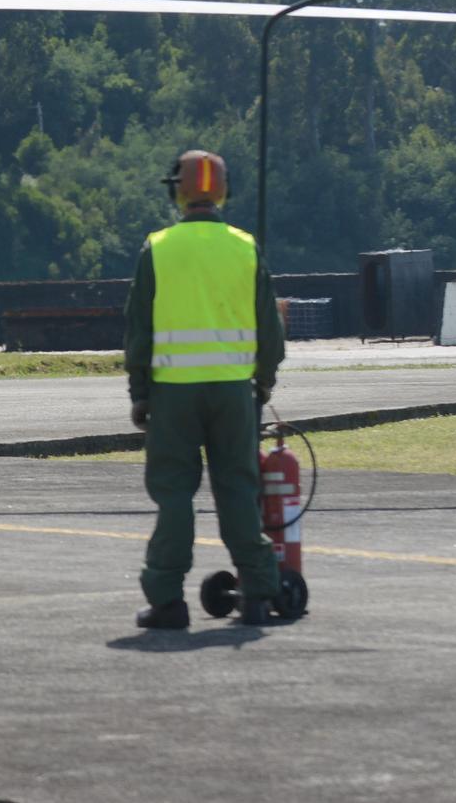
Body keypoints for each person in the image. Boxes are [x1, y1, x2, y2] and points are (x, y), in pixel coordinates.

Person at [124, 149, 285, 629]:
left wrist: (140, 392)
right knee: (238, 488)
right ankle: (257, 592)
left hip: (173, 392)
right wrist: (263, 381)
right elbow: (269, 329)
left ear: (178, 190)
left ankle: (168, 600)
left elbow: (139, 329)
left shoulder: (158, 247)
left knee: (174, 494)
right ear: (223, 191)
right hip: (234, 392)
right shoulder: (245, 246)